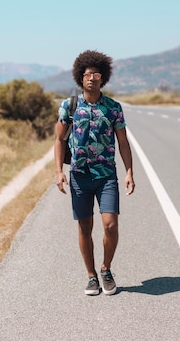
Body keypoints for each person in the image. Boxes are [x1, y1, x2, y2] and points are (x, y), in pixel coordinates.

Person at [54, 50, 135, 296]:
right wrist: (58, 171)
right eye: (87, 74)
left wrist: (129, 171)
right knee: (84, 227)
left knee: (110, 225)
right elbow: (59, 139)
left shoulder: (113, 108)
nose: (92, 78)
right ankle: (91, 276)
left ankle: (106, 269)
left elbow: (122, 142)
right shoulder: (70, 106)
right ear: (81, 77)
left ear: (103, 78)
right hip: (79, 175)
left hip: (106, 175)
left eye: (96, 74)